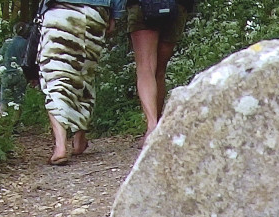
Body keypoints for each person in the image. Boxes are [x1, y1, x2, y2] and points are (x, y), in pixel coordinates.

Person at [36, 0, 122, 165]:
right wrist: (116, 13)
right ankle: (79, 139)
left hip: (61, 11)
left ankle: (60, 146)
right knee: (85, 74)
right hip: (97, 13)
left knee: (55, 75)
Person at [128, 0, 193, 140]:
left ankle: (152, 125)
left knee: (146, 68)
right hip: (176, 7)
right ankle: (157, 127)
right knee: (159, 70)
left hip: (141, 5)